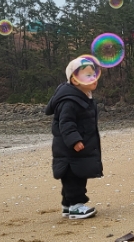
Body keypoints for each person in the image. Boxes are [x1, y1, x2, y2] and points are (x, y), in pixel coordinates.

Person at [44, 56, 103, 219]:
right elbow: (66, 123)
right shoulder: (69, 101)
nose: (93, 78)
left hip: (75, 150)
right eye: (88, 75)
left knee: (73, 177)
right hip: (70, 150)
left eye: (93, 74)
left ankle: (67, 206)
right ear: (75, 81)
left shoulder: (84, 97)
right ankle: (76, 206)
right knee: (74, 179)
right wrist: (74, 140)